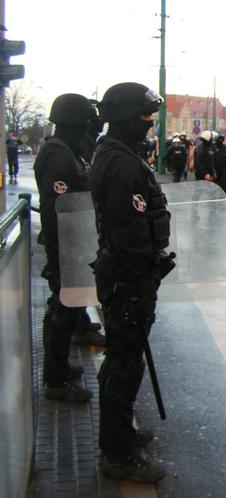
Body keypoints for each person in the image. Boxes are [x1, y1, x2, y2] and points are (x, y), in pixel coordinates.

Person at [92, 82, 171, 482]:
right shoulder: (121, 164)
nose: (149, 124)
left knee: (123, 360)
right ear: (124, 119)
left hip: (127, 276)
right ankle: (117, 454)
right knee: (124, 365)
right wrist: (143, 281)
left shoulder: (119, 154)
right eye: (144, 117)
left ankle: (121, 434)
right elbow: (129, 232)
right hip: (128, 280)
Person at [34, 93, 98, 403]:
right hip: (65, 244)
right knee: (62, 310)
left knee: (68, 308)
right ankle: (55, 380)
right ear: (74, 122)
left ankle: (59, 367)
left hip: (72, 242)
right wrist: (64, 253)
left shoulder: (66, 151)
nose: (89, 127)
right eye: (86, 121)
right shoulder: (58, 156)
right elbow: (57, 207)